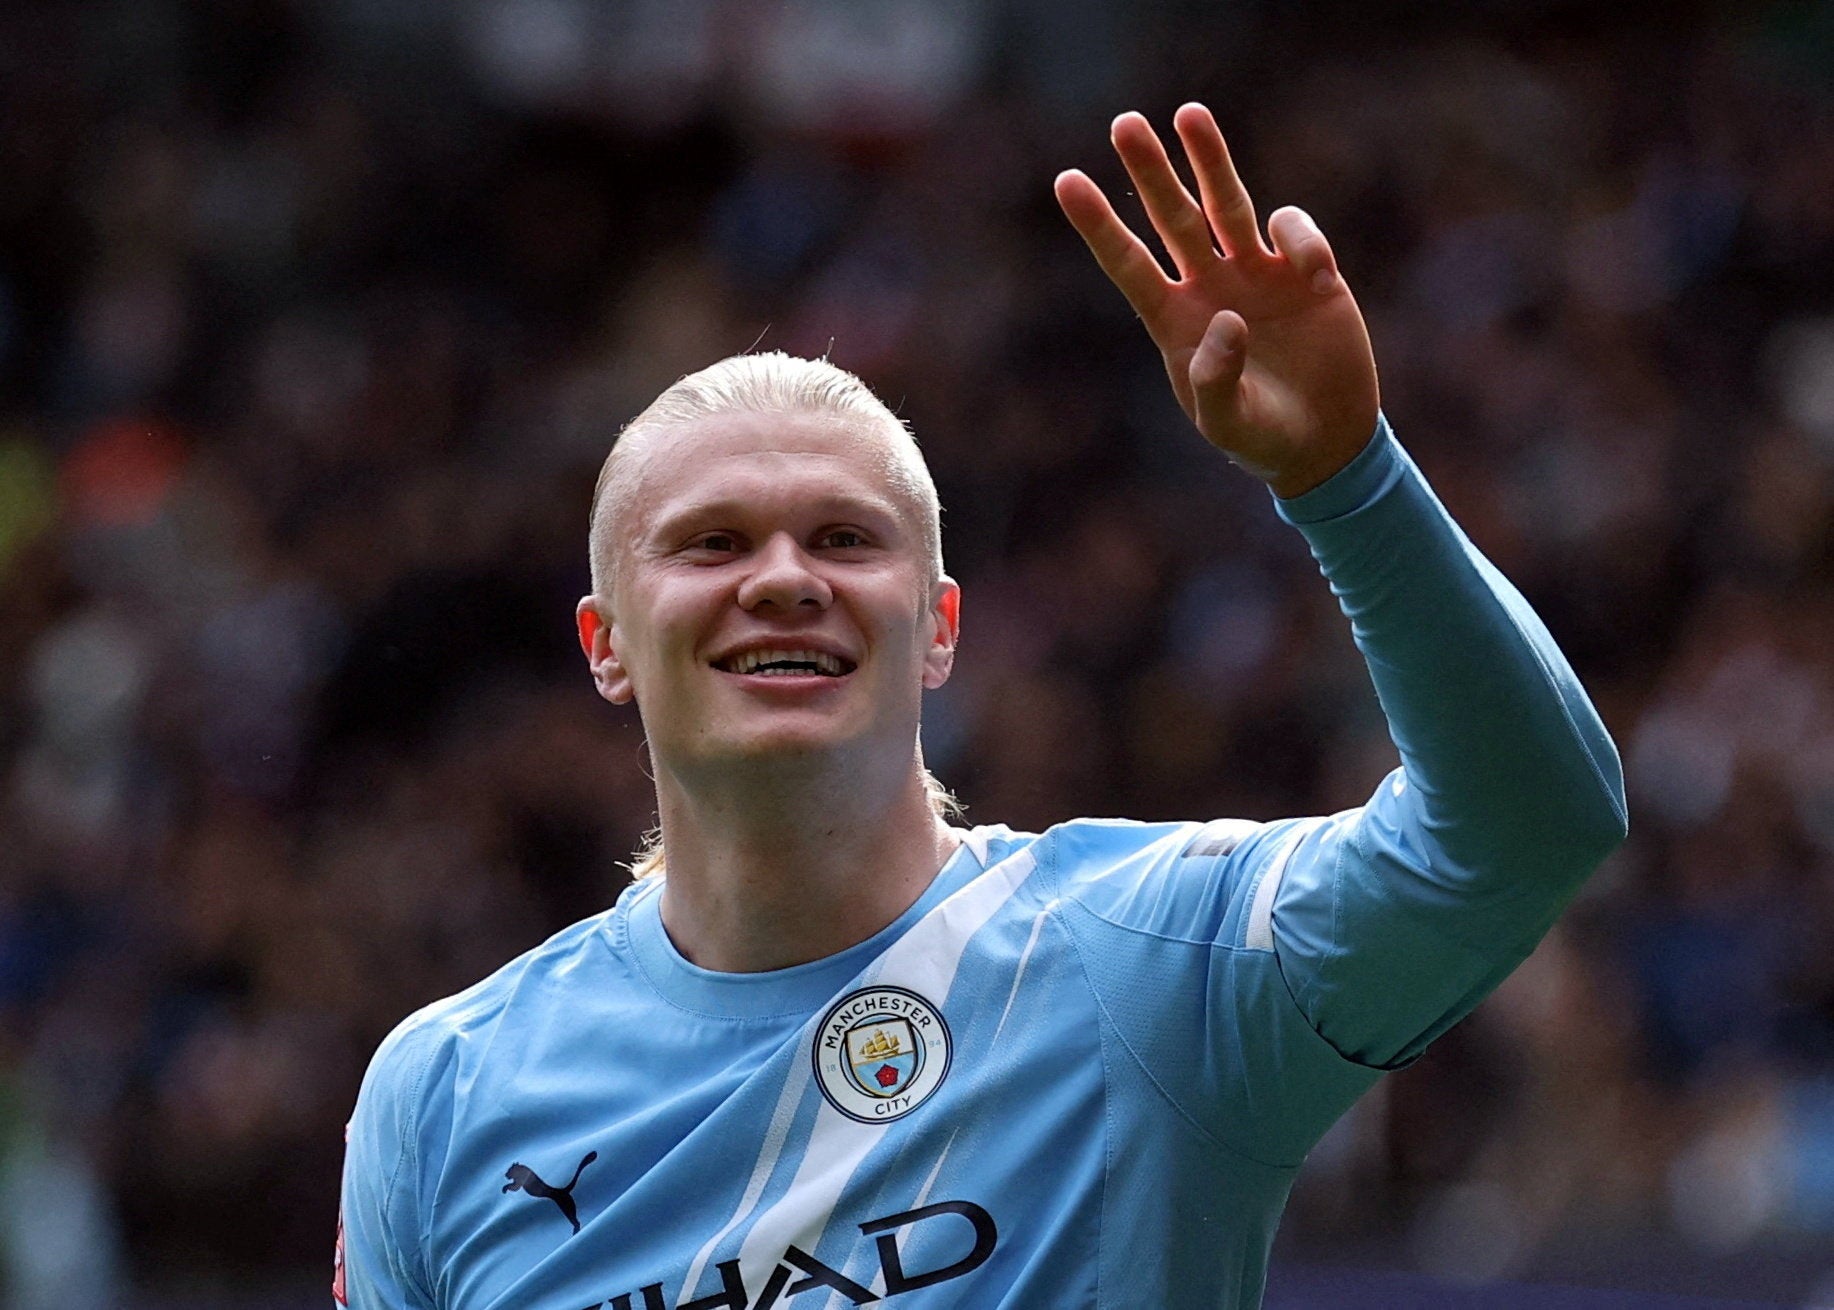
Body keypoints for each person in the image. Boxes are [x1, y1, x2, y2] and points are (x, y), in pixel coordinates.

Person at [338, 103, 1626, 1309]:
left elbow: (1524, 832)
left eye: (844, 539)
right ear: (605, 644)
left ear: (941, 628)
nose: (783, 580)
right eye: (713, 543)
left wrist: (1348, 480)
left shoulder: (1145, 970)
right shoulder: (447, 1093)